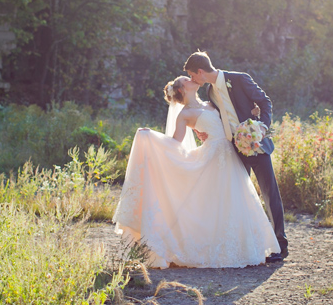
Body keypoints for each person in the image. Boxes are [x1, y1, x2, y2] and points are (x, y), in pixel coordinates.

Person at [112, 75, 279, 268]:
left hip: (229, 155)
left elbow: (228, 116)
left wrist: (254, 110)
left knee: (234, 199)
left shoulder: (211, 102)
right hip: (212, 156)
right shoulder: (185, 114)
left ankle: (242, 246)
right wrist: (151, 137)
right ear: (183, 89)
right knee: (215, 203)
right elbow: (175, 142)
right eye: (187, 80)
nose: (192, 79)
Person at [184, 51, 289, 262]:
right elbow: (212, 116)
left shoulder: (239, 79)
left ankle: (281, 246)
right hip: (234, 150)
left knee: (270, 194)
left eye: (192, 75)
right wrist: (199, 130)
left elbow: (265, 101)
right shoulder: (211, 93)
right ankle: (249, 246)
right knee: (242, 198)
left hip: (256, 145)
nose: (192, 80)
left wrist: (261, 128)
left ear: (201, 71)